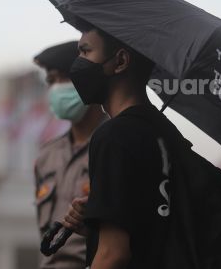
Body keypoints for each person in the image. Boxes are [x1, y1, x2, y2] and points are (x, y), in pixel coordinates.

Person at [61, 23, 170, 268]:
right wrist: (102, 219)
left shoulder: (114, 136)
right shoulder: (164, 131)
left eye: (86, 52)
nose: (77, 64)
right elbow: (152, 233)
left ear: (120, 61)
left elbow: (113, 256)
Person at [33, 41, 106, 268]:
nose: (54, 89)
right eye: (50, 82)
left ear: (84, 79)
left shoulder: (115, 145)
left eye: (60, 79)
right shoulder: (47, 156)